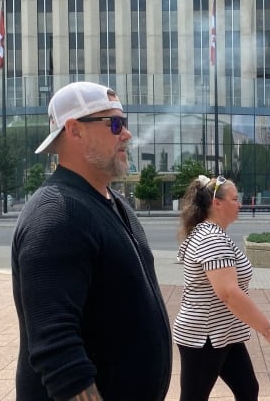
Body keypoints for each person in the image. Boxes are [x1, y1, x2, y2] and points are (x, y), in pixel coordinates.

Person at [11, 82, 171, 401]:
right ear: (75, 130)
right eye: (114, 124)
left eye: (125, 123)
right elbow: (56, 350)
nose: (126, 134)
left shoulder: (111, 202)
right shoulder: (57, 214)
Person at [173, 175, 270, 401]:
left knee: (247, 389)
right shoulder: (211, 239)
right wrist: (268, 330)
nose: (240, 203)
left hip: (224, 331)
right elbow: (229, 293)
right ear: (217, 203)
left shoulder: (213, 234)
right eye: (235, 199)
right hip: (204, 335)